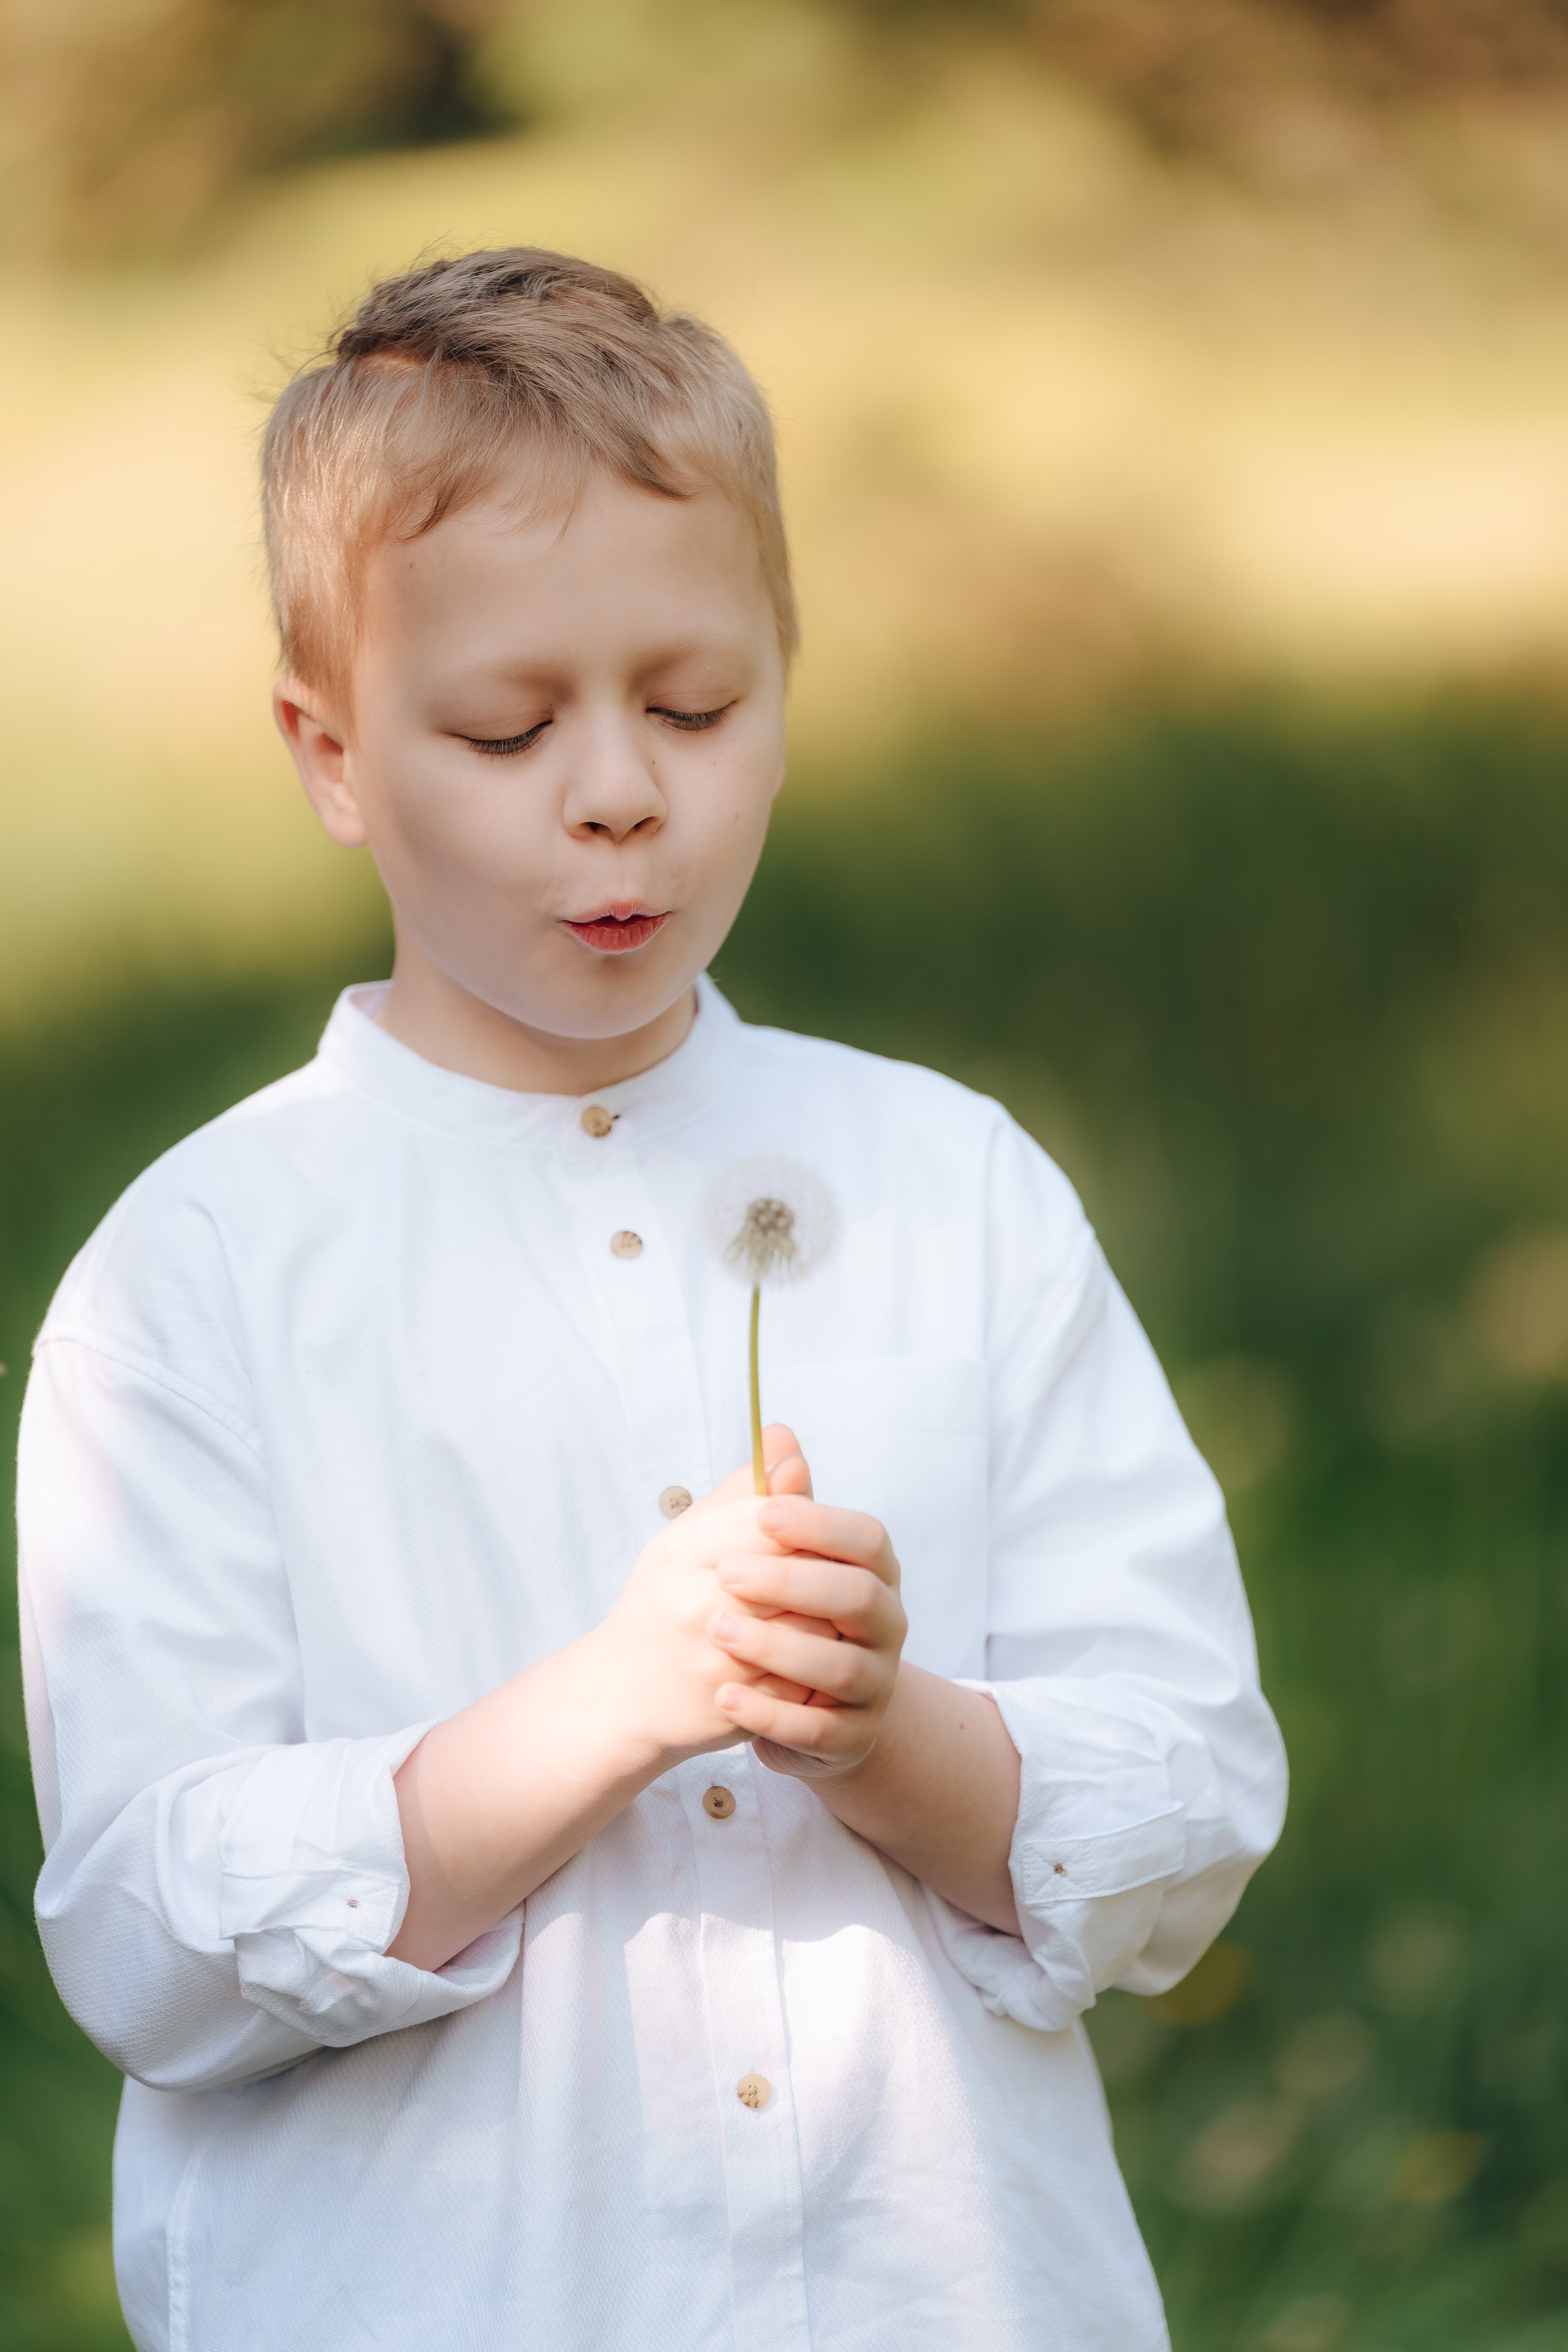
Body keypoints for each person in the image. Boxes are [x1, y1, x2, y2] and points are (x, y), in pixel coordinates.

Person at [17, 247, 1286, 2352]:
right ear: (332, 755)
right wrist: (604, 1707)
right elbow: (152, 1937)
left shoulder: (950, 1186)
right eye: (509, 725)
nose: (618, 787)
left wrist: (893, 1735)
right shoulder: (203, 1274)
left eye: (695, 706)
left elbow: (1182, 1795)